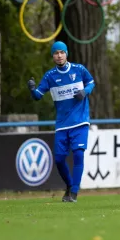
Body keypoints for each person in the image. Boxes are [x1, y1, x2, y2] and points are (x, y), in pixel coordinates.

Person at [28, 41, 95, 203]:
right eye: (56, 53)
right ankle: (69, 185)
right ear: (53, 56)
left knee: (78, 154)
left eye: (62, 52)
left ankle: (74, 192)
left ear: (66, 54)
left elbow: (91, 82)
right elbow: (38, 95)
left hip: (80, 122)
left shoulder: (79, 69)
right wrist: (31, 89)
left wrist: (84, 92)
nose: (59, 56)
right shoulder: (50, 76)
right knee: (58, 159)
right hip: (62, 124)